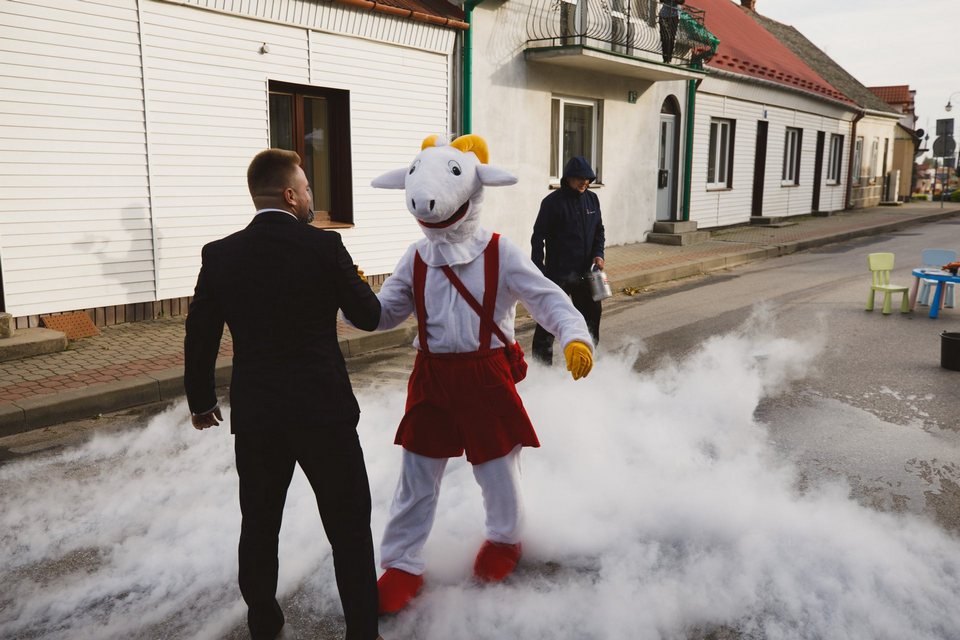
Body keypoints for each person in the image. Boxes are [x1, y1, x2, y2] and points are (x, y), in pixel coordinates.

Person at [183, 149, 383, 640]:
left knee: (259, 525)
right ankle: (363, 632)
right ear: (290, 195)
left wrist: (201, 400)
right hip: (324, 412)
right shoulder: (325, 247)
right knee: (349, 527)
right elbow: (369, 315)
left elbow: (200, 333)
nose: (312, 197)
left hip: (259, 416)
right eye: (308, 189)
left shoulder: (220, 254)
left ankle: (265, 627)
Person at [530, 155, 605, 365]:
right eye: (580, 178)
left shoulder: (592, 199)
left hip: (586, 274)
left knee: (592, 317)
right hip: (558, 275)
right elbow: (538, 237)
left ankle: (587, 360)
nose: (584, 182)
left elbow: (599, 231)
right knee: (549, 321)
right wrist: (539, 270)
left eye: (587, 179)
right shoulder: (552, 203)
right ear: (569, 178)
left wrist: (599, 254)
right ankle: (541, 368)